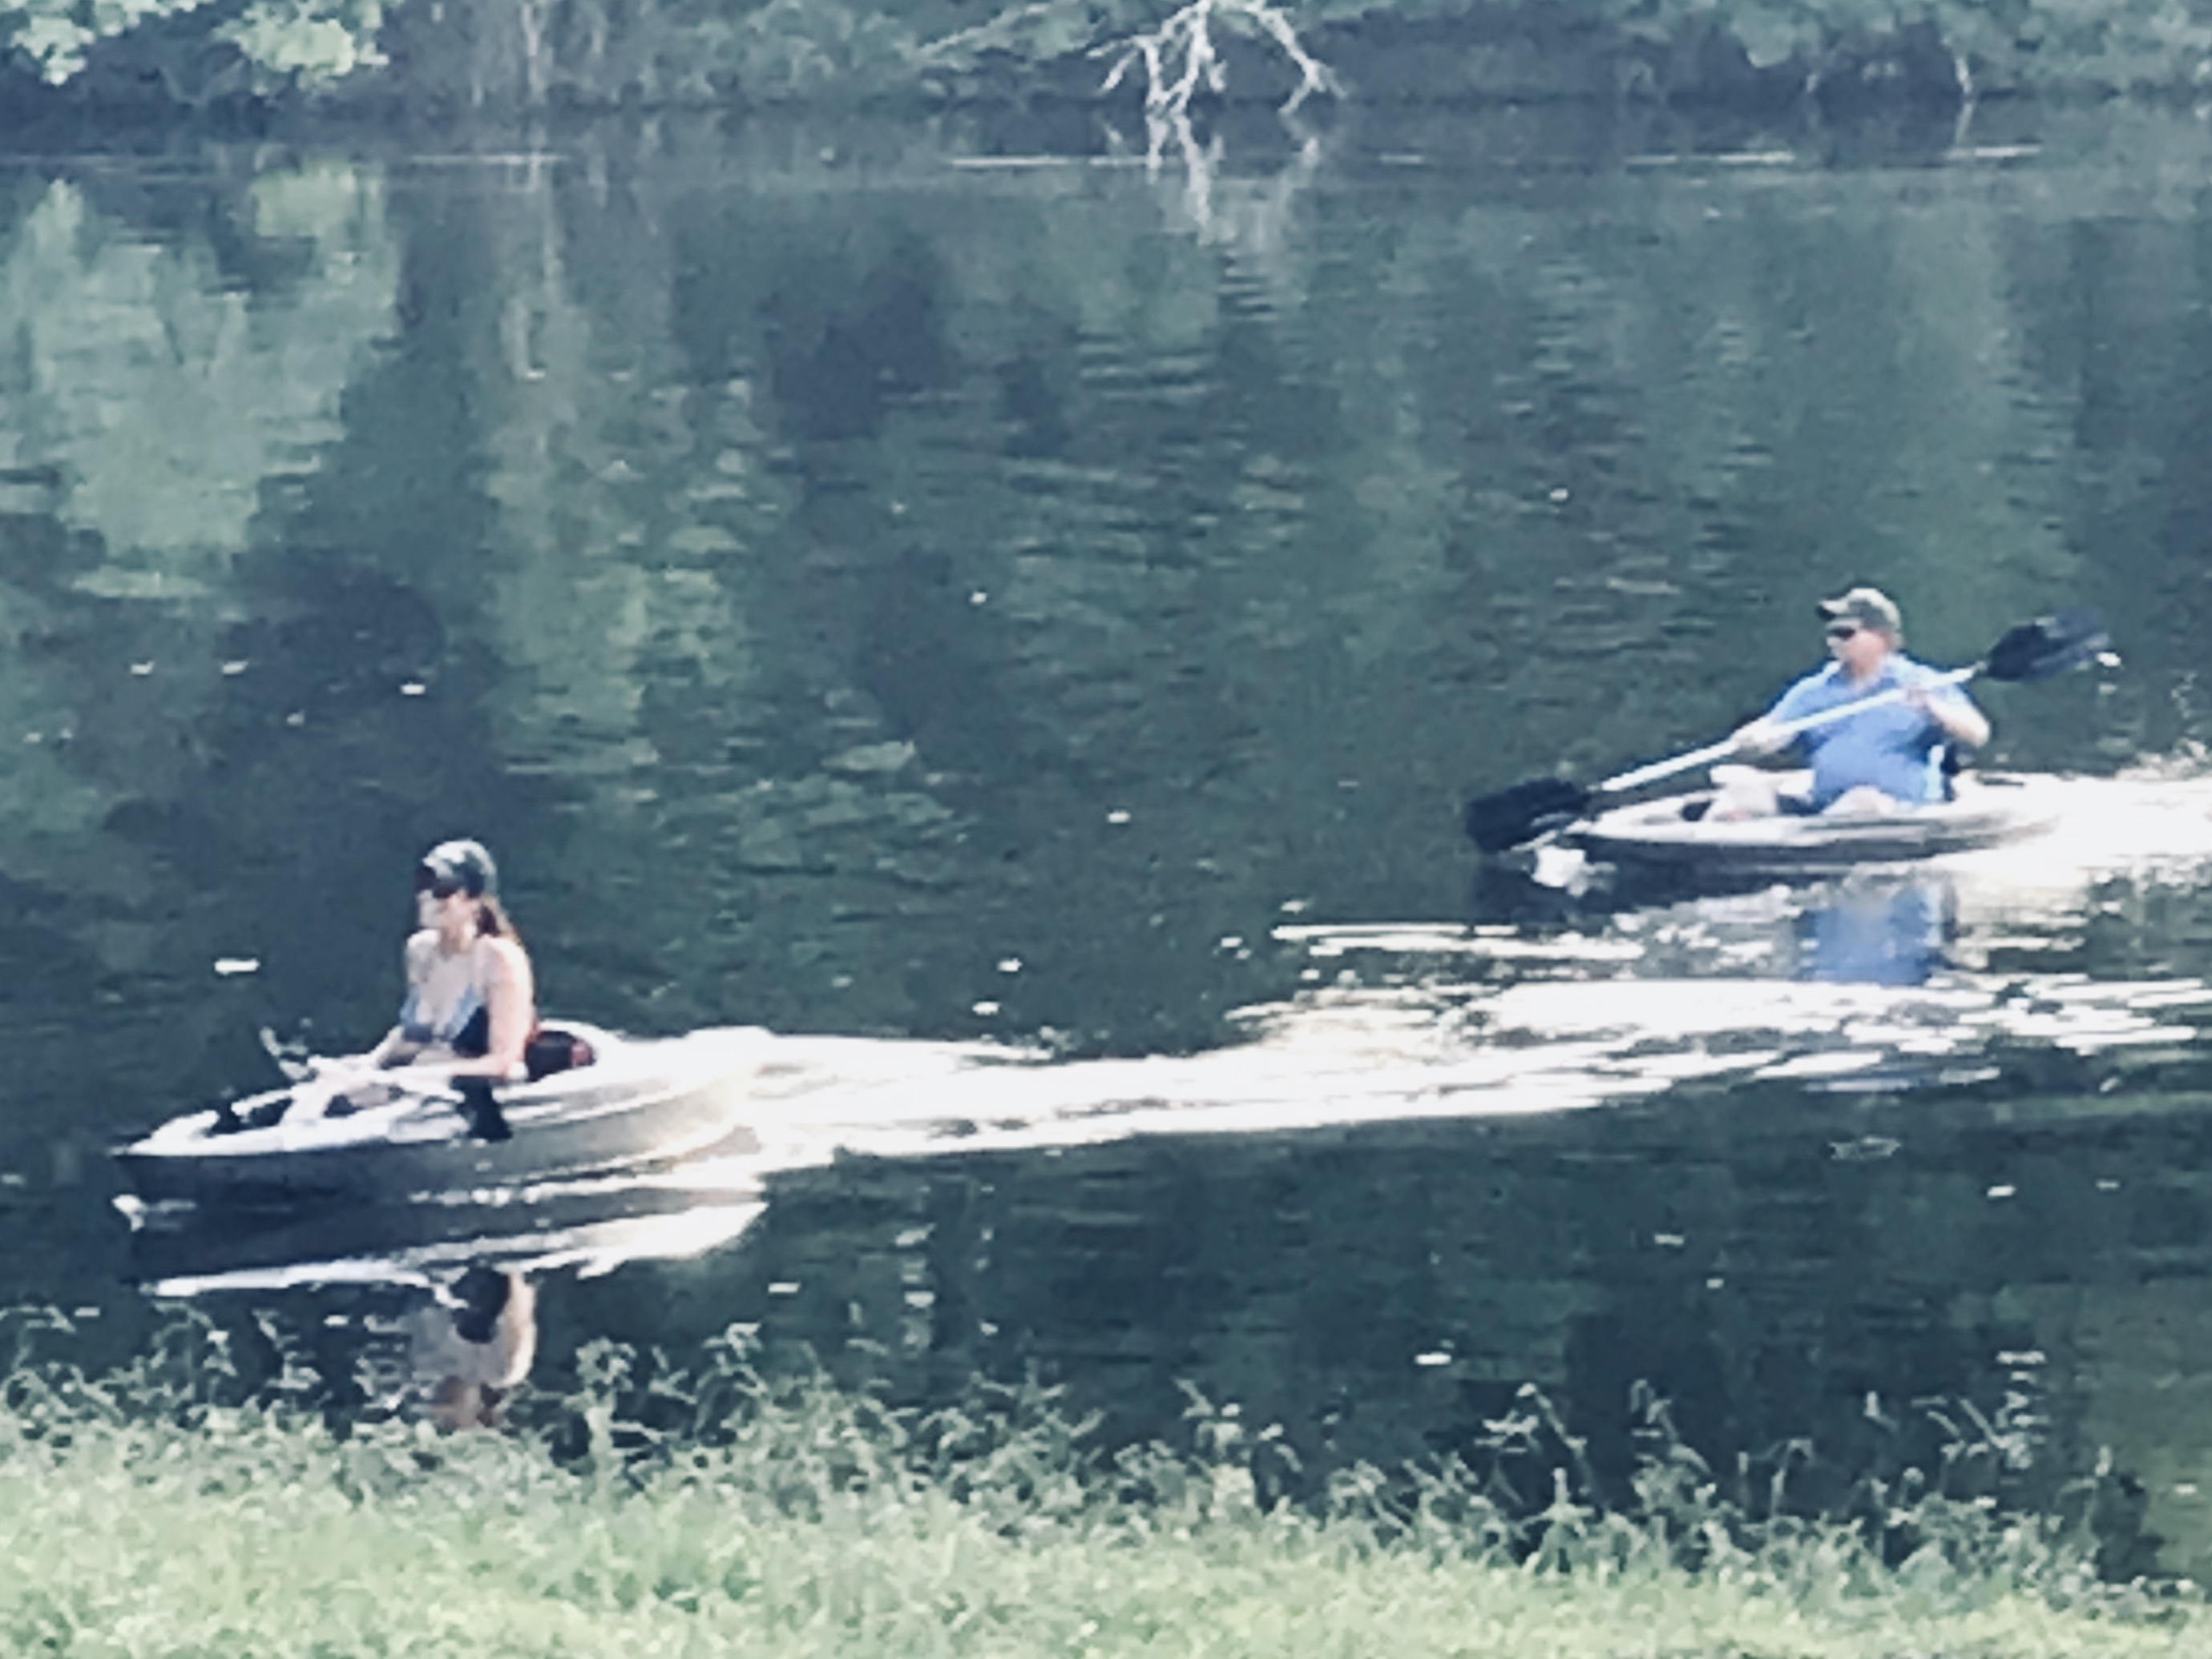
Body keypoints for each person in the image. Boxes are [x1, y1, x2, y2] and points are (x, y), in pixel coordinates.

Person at [1711, 587, 1992, 820]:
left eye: (1846, 632)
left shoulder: (1923, 682)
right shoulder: (1813, 690)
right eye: (1832, 632)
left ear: (1881, 637)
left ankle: (1812, 843)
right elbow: (1774, 730)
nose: (1835, 641)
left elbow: (1978, 733)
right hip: (1822, 804)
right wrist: (1751, 738)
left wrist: (1931, 706)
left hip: (1898, 809)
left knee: (1862, 801)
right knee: (1739, 788)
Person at [305, 839, 537, 1118]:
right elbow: (412, 1039)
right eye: (424, 886)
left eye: (443, 889)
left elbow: (503, 1061)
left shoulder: (499, 958)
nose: (429, 897)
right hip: (420, 1081)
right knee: (326, 1090)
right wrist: (366, 1064)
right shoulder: (421, 950)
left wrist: (414, 1077)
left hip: (476, 1092)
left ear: (474, 900)